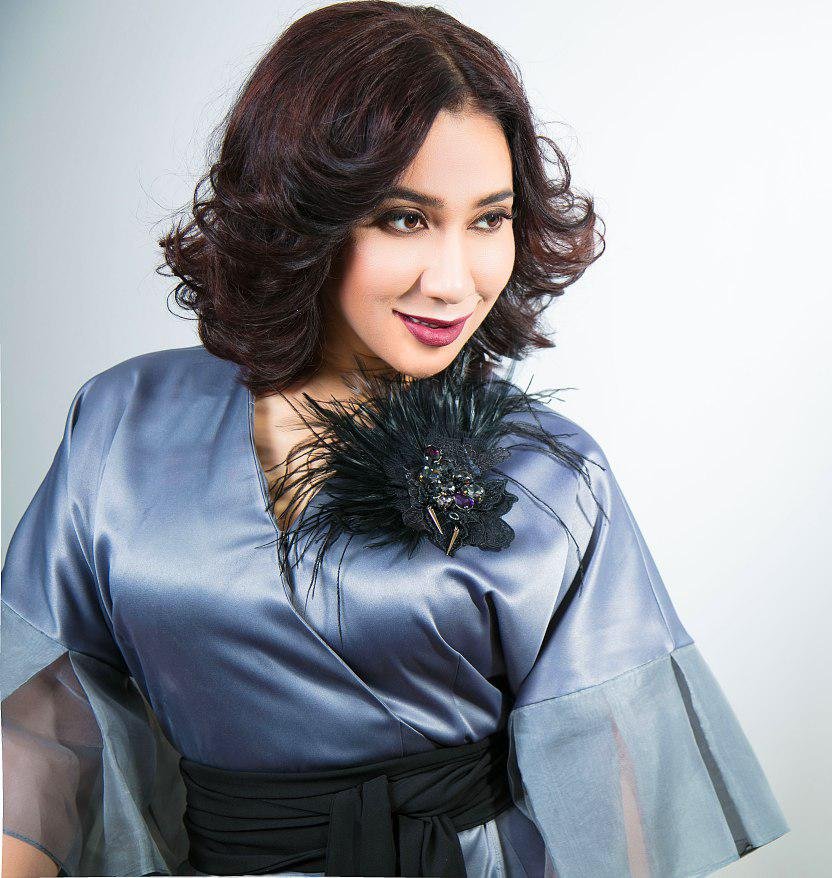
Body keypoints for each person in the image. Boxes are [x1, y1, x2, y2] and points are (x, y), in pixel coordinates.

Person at [0, 3, 789, 876]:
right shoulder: (125, 422)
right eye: (405, 218)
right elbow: (39, 724)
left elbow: (613, 801)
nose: (454, 281)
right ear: (298, 214)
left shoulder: (554, 474)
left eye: (488, 219)